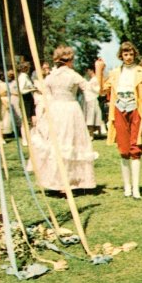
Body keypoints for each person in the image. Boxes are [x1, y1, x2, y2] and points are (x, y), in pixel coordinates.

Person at [29, 46, 98, 192]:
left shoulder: (50, 76)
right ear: (69, 61)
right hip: (70, 110)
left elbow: (46, 97)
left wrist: (43, 115)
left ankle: (58, 180)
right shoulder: (73, 75)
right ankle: (67, 182)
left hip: (55, 110)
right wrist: (100, 72)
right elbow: (91, 90)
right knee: (70, 142)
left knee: (57, 143)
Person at [98, 41, 142, 200]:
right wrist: (100, 71)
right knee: (123, 149)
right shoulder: (115, 72)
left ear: (134, 55)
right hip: (119, 109)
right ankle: (127, 187)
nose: (128, 57)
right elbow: (102, 90)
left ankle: (136, 188)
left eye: (130, 54)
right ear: (121, 56)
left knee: (135, 148)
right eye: (125, 54)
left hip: (136, 109)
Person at [82, 67, 106, 139]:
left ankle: (93, 134)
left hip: (93, 100)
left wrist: (92, 87)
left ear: (91, 70)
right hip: (88, 100)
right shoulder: (89, 80)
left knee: (92, 117)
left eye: (88, 71)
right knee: (89, 117)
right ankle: (92, 133)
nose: (87, 73)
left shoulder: (95, 79)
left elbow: (98, 90)